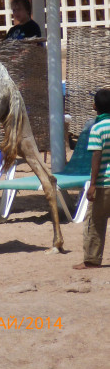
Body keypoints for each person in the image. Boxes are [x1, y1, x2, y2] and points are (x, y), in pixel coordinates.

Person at [73, 88, 110, 270]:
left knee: (95, 221)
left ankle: (92, 260)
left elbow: (97, 156)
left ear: (95, 106)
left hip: (104, 183)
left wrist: (93, 184)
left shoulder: (97, 128)